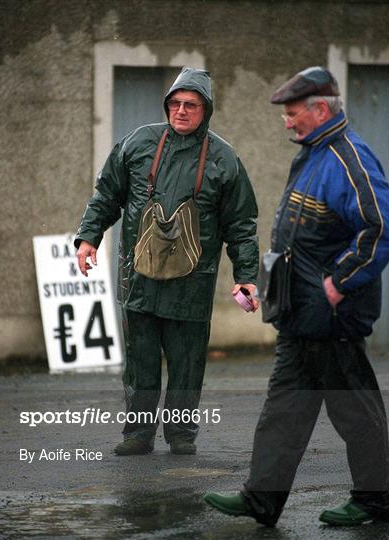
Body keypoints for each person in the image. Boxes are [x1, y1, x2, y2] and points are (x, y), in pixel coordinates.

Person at [204, 66, 389, 526]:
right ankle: (261, 499)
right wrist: (263, 287)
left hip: (332, 317)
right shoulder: (312, 154)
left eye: (293, 115)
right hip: (299, 316)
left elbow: (382, 226)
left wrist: (338, 282)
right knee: (284, 410)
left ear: (321, 109)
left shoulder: (350, 158)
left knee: (354, 411)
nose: (286, 122)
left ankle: (378, 500)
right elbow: (296, 239)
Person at [75, 67, 259, 456]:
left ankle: (180, 435)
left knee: (187, 362)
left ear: (205, 110)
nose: (181, 111)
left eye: (191, 105)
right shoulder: (138, 143)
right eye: (175, 103)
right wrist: (89, 237)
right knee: (140, 362)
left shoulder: (225, 159)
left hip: (193, 283)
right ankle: (138, 435)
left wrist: (246, 276)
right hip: (139, 277)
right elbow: (106, 195)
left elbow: (241, 225)